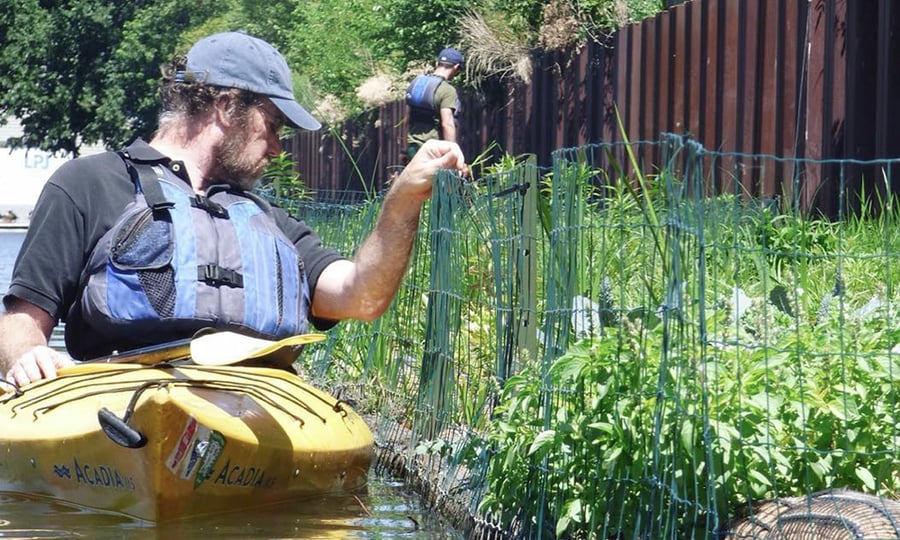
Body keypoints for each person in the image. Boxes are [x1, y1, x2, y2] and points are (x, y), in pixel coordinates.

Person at [0, 31, 467, 387]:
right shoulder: (87, 184)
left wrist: (404, 199)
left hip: (249, 402)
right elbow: (21, 321)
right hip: (118, 403)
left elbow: (360, 296)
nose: (279, 149)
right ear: (226, 107)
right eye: (273, 126)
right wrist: (28, 356)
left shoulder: (265, 218)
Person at [405, 47, 464, 161]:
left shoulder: (415, 83)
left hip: (412, 149)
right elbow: (447, 124)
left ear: (437, 63)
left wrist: (404, 149)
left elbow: (407, 120)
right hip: (432, 151)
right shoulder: (447, 90)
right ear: (456, 67)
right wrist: (452, 155)